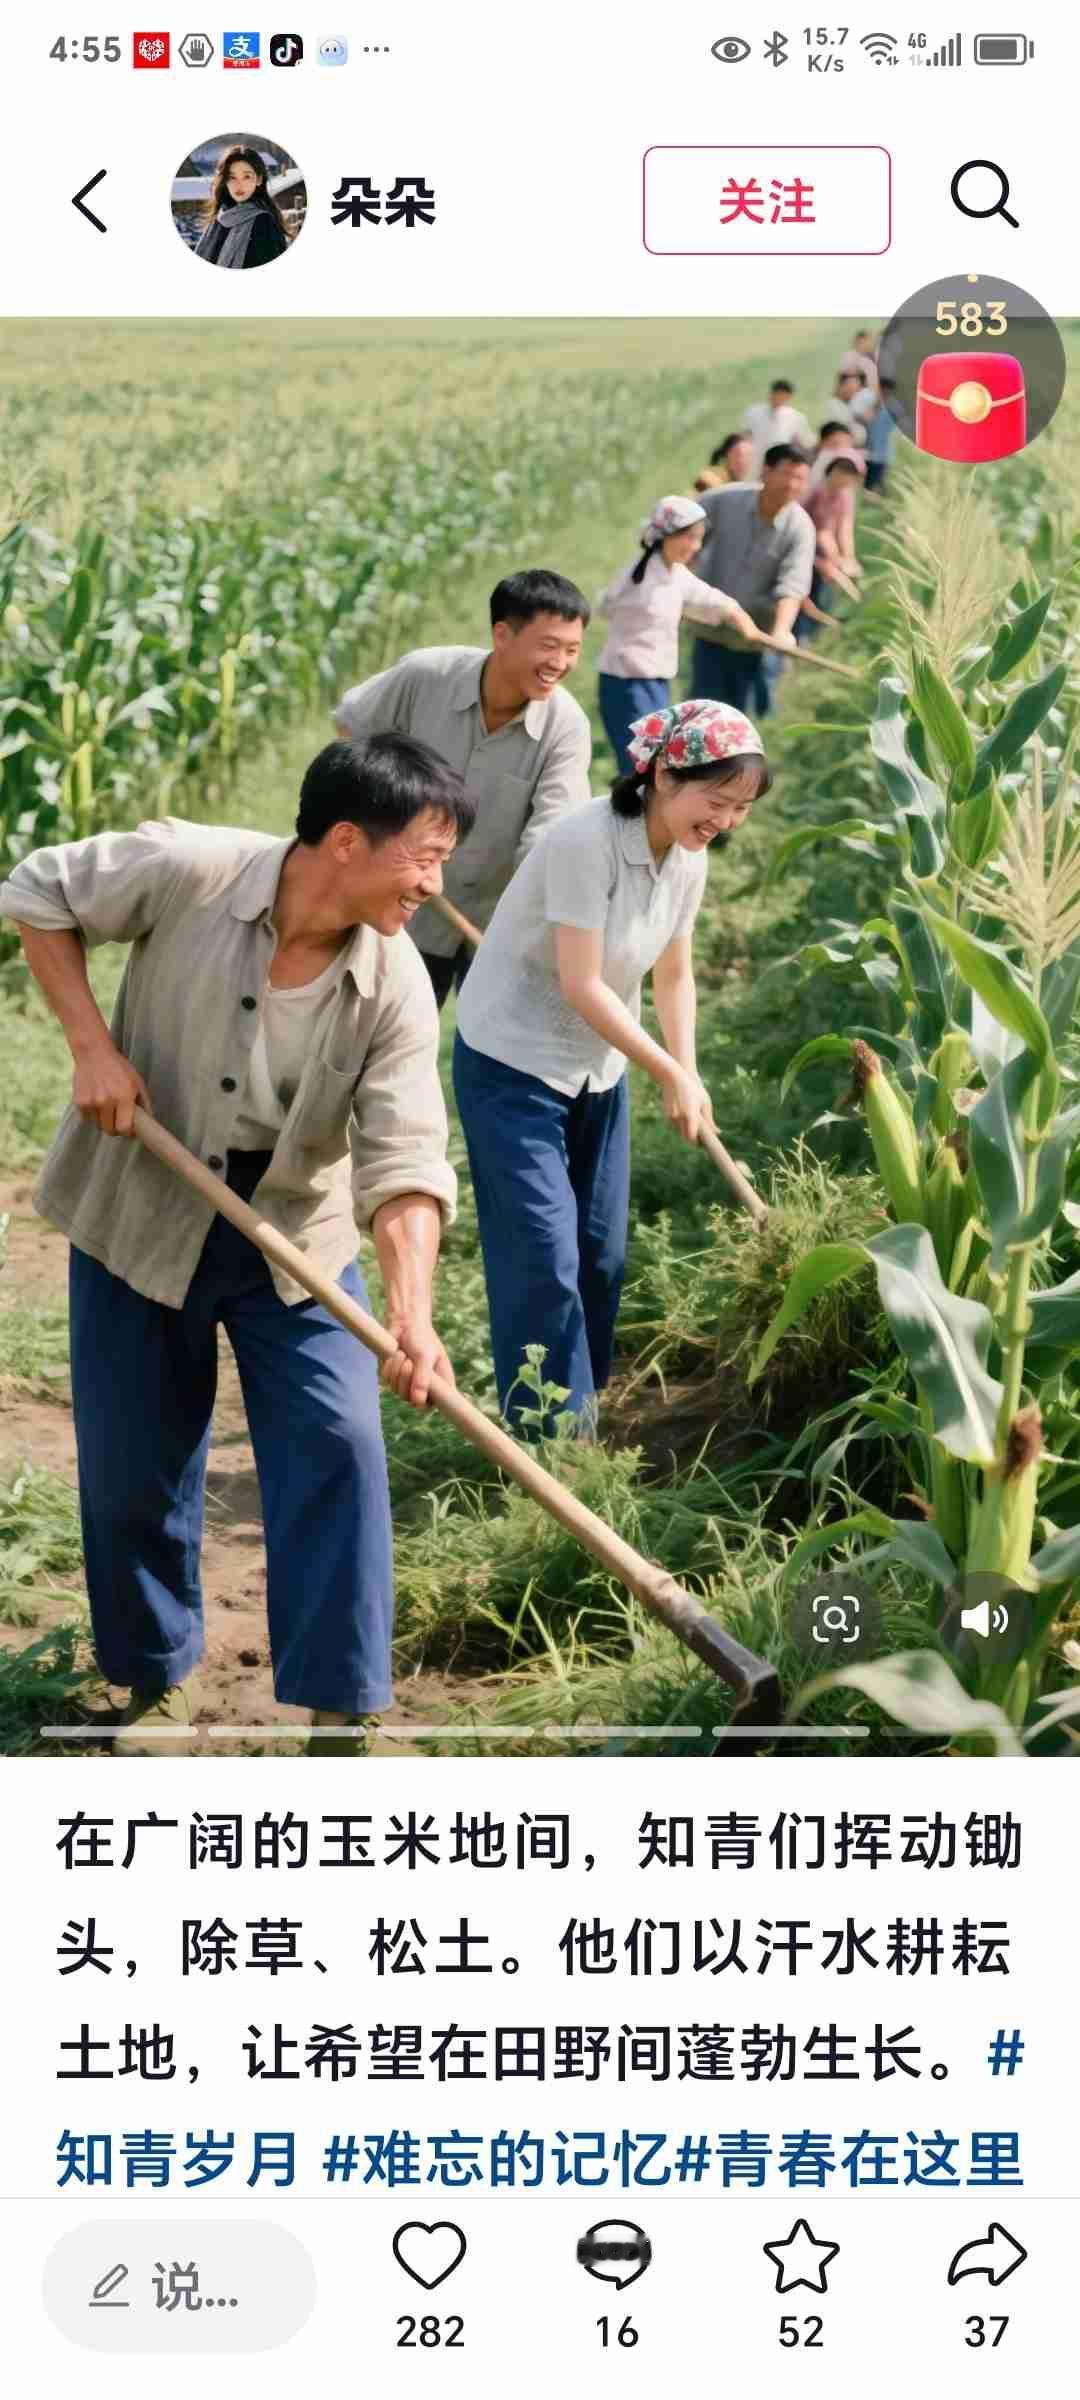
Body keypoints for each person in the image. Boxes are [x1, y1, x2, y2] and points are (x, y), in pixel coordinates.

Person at [0, 735, 475, 1755]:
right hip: (144, 1200)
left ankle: (341, 1704)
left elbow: (404, 1159)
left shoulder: (394, 979)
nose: (436, 887)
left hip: (295, 1226)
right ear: (346, 841)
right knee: (135, 1461)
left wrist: (411, 1317)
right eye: (425, 858)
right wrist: (91, 1045)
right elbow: (37, 891)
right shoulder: (189, 871)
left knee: (337, 1447)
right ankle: (152, 1677)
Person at [453, 700, 770, 1437]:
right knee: (542, 1258)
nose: (724, 821)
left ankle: (582, 1418)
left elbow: (674, 975)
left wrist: (686, 1070)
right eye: (715, 801)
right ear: (662, 774)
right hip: (514, 1061)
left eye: (740, 809)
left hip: (597, 1066)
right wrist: (664, 1068)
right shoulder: (584, 842)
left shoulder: (686, 859)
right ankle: (547, 1441)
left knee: (600, 1258)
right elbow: (583, 983)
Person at [335, 571, 591, 1008]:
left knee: (497, 1054)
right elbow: (350, 733)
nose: (560, 663)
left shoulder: (565, 727)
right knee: (367, 1038)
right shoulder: (425, 676)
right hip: (393, 915)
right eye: (548, 646)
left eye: (572, 650)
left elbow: (551, 837)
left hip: (494, 928)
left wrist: (541, 926)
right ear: (502, 634)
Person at [595, 496, 764, 773]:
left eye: (699, 538)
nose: (695, 547)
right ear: (666, 535)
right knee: (641, 766)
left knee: (652, 763)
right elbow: (606, 606)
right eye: (689, 537)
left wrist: (741, 620)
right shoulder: (638, 579)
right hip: (626, 682)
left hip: (655, 683)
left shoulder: (673, 573)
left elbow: (708, 598)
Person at [684, 445, 814, 717]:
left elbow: (793, 584)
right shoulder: (723, 501)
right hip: (710, 625)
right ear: (766, 471)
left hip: (753, 635)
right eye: (786, 474)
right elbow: (681, 535)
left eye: (800, 478)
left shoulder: (800, 527)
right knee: (702, 708)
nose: (792, 484)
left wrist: (781, 631)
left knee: (741, 714)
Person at [194, 145, 289, 270]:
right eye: (232, 177)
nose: (239, 185)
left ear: (259, 179)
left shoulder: (264, 223)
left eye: (247, 176)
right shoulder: (219, 219)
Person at [803, 453, 865, 628]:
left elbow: (845, 528)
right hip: (809, 552)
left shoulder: (845, 496)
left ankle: (824, 627)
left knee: (838, 586)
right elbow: (819, 532)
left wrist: (849, 558)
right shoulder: (817, 493)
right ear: (834, 472)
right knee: (808, 594)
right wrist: (833, 560)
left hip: (827, 554)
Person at [741, 379, 814, 474]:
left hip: (779, 461)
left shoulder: (795, 417)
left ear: (789, 397)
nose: (779, 398)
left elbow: (805, 442)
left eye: (784, 396)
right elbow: (744, 436)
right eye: (778, 394)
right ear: (771, 393)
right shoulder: (753, 412)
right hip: (754, 460)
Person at [864, 376, 899, 496]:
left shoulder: (895, 407)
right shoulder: (871, 402)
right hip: (869, 450)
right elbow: (866, 419)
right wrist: (876, 405)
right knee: (868, 483)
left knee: (878, 481)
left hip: (884, 452)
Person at [807, 418, 859, 490]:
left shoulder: (839, 469)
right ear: (822, 441)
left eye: (846, 446)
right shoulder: (807, 460)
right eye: (836, 443)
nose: (842, 450)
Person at [831, 370, 873, 447]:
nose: (852, 390)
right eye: (849, 386)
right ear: (841, 386)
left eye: (856, 388)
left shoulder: (851, 404)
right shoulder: (834, 405)